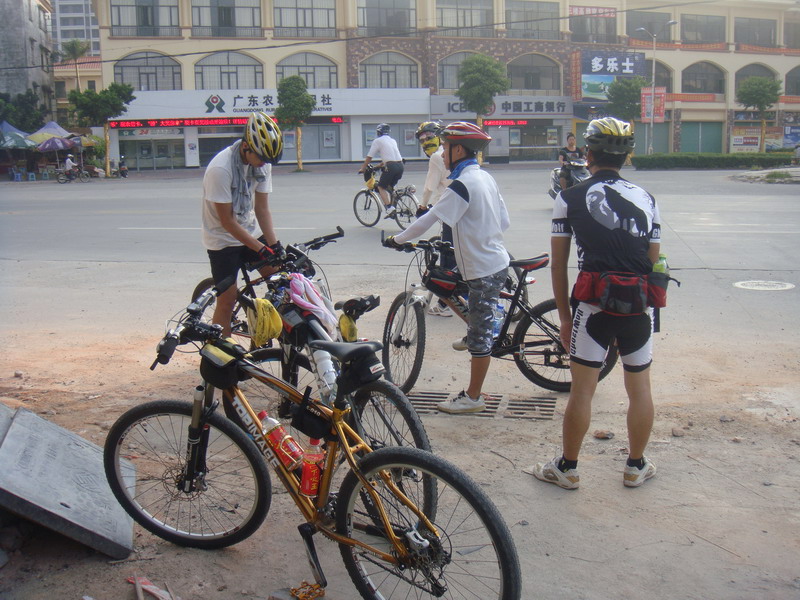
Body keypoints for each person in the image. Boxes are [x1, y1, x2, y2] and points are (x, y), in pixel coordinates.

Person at [530, 117, 661, 490]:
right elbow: (652, 262)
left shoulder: (568, 198)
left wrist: (565, 318)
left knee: (583, 390)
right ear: (627, 156)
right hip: (639, 307)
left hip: (592, 308)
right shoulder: (647, 199)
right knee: (640, 388)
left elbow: (559, 265)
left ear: (588, 154)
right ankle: (635, 466)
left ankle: (567, 468)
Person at [384, 121, 510, 414]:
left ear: (459, 150)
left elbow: (427, 221)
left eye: (445, 147)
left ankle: (473, 397)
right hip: (494, 260)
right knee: (452, 287)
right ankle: (477, 328)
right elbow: (503, 221)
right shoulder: (484, 177)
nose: (442, 154)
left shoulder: (462, 185)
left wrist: (397, 239)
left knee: (480, 340)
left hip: (483, 269)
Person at [202, 111, 284, 337]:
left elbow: (262, 209)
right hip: (222, 240)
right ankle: (220, 351)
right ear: (246, 146)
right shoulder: (221, 169)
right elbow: (227, 222)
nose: (264, 164)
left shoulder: (263, 163)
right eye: (262, 158)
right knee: (227, 300)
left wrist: (274, 246)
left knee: (280, 280)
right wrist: (261, 249)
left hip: (250, 231)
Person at [414, 120, 454, 317]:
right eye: (422, 139)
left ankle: (444, 304)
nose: (426, 141)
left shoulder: (438, 157)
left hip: (451, 209)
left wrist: (422, 206)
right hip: (463, 207)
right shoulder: (449, 153)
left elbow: (429, 186)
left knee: (448, 255)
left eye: (429, 137)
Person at [359, 123, 404, 219]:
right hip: (400, 166)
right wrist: (380, 165)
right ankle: (393, 206)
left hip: (391, 166)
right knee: (390, 187)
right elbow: (391, 155)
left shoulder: (377, 141)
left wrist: (363, 168)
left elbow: (369, 157)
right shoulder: (393, 140)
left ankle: (389, 208)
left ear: (378, 132)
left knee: (380, 187)